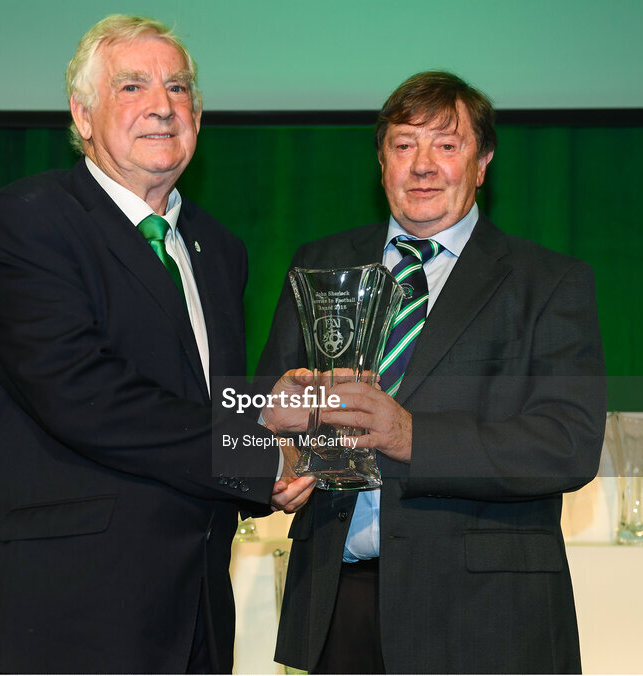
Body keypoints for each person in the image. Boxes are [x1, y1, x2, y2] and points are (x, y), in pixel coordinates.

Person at [0, 15, 312, 674]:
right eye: (133, 87)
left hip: (191, 622)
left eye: (179, 88)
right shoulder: (30, 220)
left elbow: (196, 401)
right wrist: (259, 457)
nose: (163, 105)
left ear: (198, 115)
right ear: (83, 115)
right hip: (54, 621)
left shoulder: (219, 249)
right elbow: (83, 394)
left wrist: (283, 427)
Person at [256, 71, 607, 673]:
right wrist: (274, 458)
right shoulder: (319, 264)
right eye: (403, 145)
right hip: (337, 604)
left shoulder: (548, 282)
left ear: (482, 162)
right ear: (381, 161)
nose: (422, 165)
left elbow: (567, 445)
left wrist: (411, 437)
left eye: (446, 145)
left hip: (484, 618)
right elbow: (267, 407)